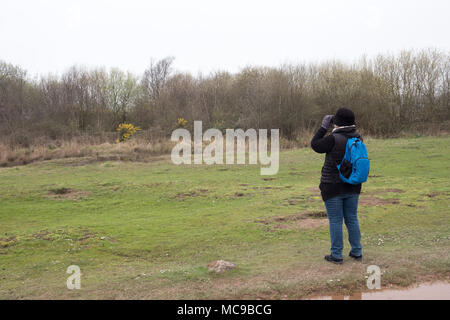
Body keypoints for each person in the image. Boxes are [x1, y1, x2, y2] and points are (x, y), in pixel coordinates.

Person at [310, 107, 363, 264]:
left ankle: (337, 255)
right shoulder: (358, 138)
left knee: (335, 220)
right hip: (353, 185)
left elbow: (315, 145)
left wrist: (323, 127)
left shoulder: (333, 139)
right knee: (352, 219)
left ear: (337, 123)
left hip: (332, 186)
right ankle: (357, 252)